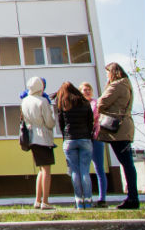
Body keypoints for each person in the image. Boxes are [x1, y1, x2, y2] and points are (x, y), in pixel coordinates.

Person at [96, 63, 139, 210]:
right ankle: (133, 196)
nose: (107, 76)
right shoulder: (127, 85)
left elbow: (101, 103)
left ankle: (133, 198)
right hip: (126, 127)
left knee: (126, 163)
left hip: (118, 130)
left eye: (108, 73)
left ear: (113, 72)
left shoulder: (116, 85)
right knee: (128, 163)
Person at [55, 81, 94, 209]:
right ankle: (88, 200)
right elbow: (90, 122)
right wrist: (87, 134)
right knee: (85, 171)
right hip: (85, 139)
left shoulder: (63, 104)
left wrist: (65, 137)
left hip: (69, 140)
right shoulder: (85, 103)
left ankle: (78, 201)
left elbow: (61, 123)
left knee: (75, 172)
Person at [21, 77, 56, 210]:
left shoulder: (24, 101)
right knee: (46, 170)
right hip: (43, 137)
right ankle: (45, 201)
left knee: (41, 170)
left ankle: (37, 200)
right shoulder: (42, 101)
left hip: (31, 137)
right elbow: (49, 122)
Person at [79, 81, 107, 207]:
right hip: (84, 138)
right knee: (83, 168)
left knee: (99, 168)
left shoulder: (96, 103)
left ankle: (102, 199)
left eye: (89, 89)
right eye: (85, 90)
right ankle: (84, 198)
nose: (87, 91)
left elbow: (97, 117)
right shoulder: (79, 105)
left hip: (96, 137)